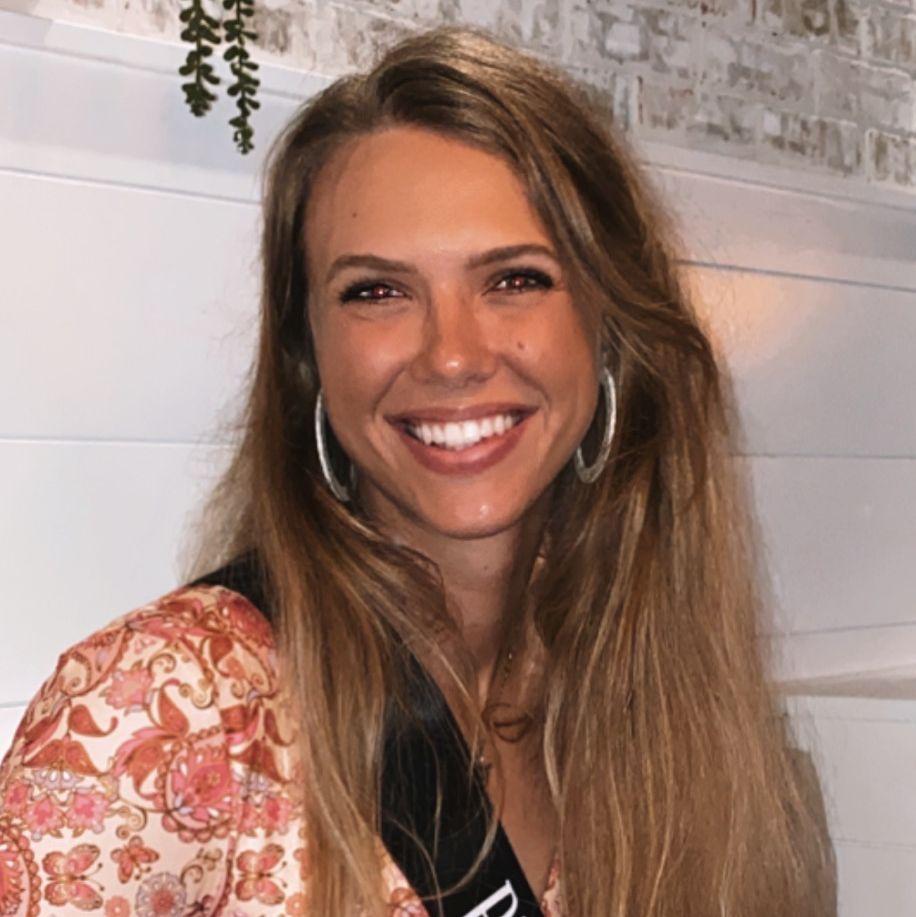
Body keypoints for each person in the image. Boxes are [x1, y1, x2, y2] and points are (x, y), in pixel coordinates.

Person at [0, 23, 836, 917]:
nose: (452, 355)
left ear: (608, 325)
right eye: (377, 292)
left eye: (514, 279)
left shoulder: (650, 694)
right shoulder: (167, 710)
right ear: (308, 355)